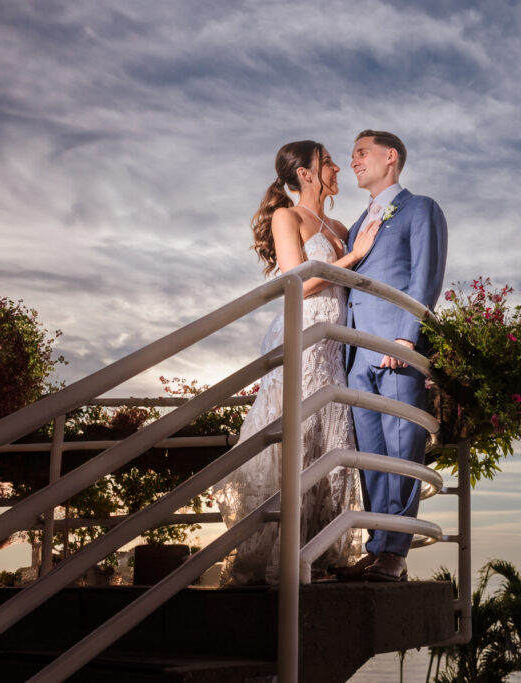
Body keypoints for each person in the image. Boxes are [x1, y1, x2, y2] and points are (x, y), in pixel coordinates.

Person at [214, 140, 380, 585]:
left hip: (334, 349)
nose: (337, 168)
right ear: (306, 174)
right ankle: (273, 561)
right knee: (295, 441)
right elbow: (297, 282)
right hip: (304, 336)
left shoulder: (343, 225)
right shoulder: (286, 217)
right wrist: (354, 256)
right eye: (327, 162)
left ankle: (317, 557)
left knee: (328, 445)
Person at [332, 130, 448, 582]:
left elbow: (425, 275)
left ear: (390, 156)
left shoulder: (421, 208)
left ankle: (395, 554)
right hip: (357, 353)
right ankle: (377, 545)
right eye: (353, 155)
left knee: (402, 449)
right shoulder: (358, 224)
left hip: (397, 348)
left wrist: (407, 337)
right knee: (372, 456)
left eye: (362, 153)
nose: (355, 161)